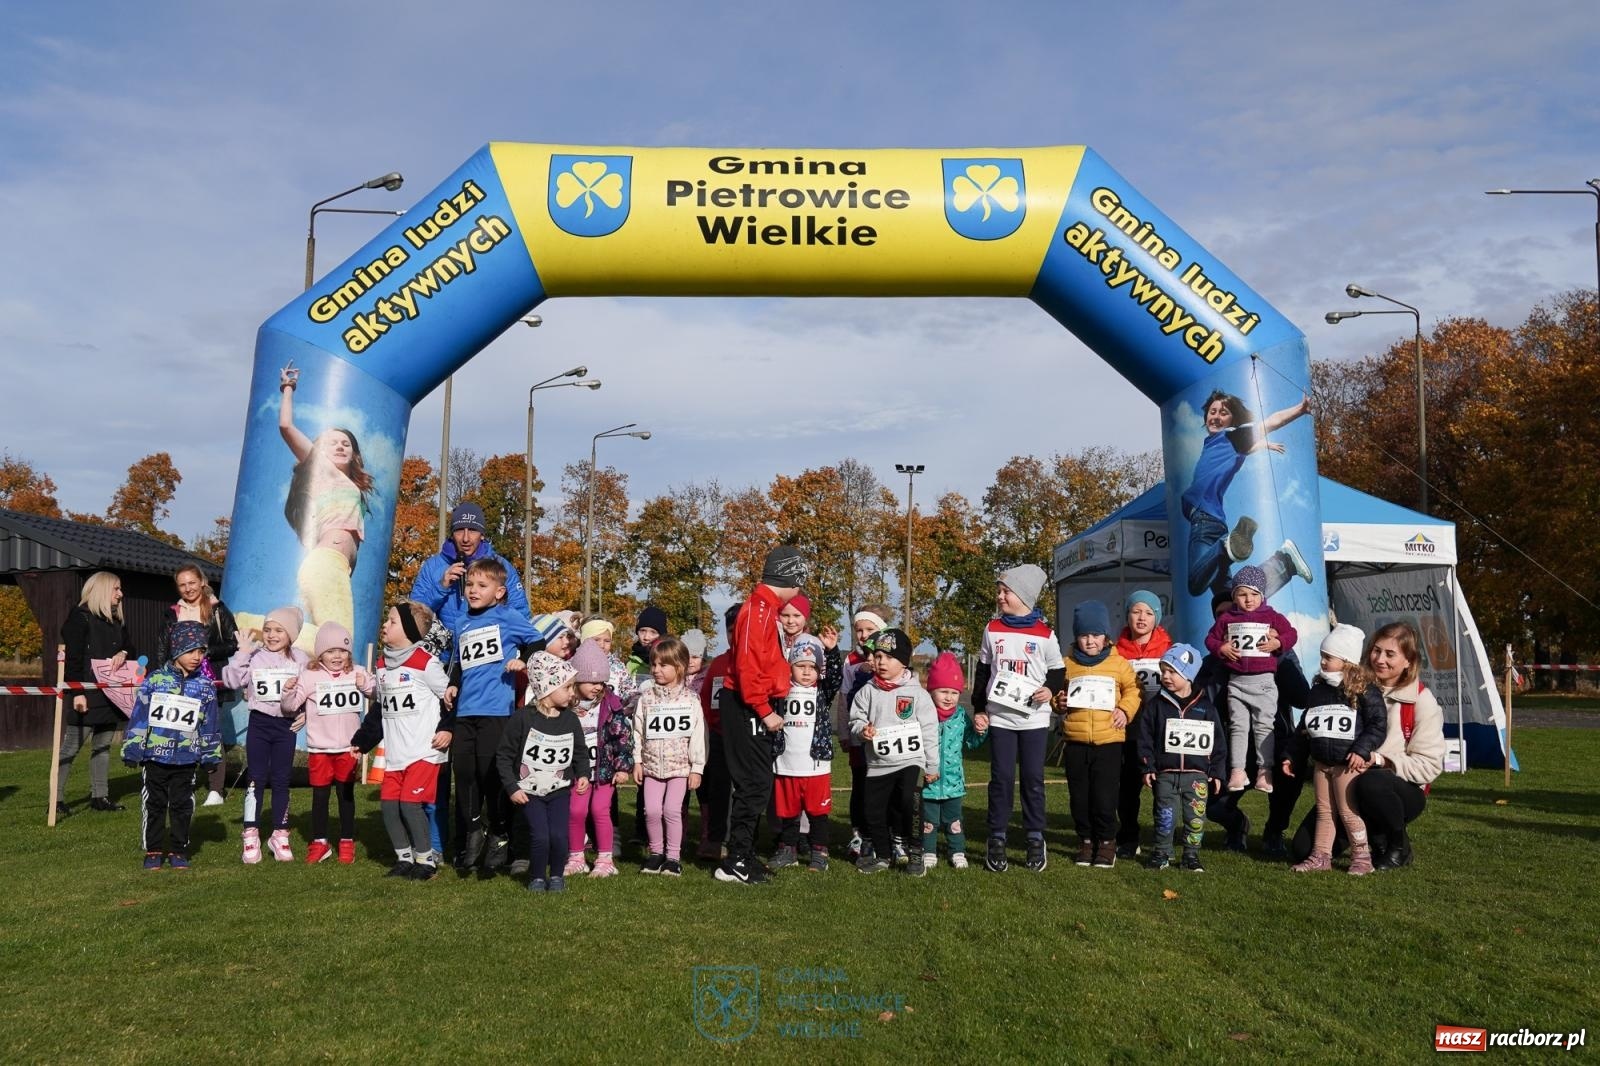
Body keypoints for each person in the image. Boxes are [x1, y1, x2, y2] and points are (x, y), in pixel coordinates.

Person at [716, 546, 808, 886]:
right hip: (748, 705)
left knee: (759, 783)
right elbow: (747, 666)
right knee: (753, 783)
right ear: (790, 576)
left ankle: (746, 854)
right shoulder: (758, 610)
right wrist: (765, 710)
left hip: (757, 703)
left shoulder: (767, 609)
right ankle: (735, 861)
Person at [444, 557, 541, 876]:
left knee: (492, 776)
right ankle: (474, 830)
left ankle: (499, 832)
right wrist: (453, 684)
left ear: (499, 592)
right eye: (470, 584)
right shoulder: (461, 621)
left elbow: (537, 641)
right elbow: (460, 662)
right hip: (465, 711)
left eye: (481, 586)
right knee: (464, 773)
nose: (473, 590)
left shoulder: (507, 617)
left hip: (496, 712)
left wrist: (522, 660)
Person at [971, 565, 1064, 874]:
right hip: (1001, 718)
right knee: (1001, 779)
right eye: (998, 591)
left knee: (1033, 780)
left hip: (1034, 719)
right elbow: (983, 671)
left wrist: (1049, 689)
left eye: (1005, 591)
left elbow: (1058, 670)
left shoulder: (1045, 634)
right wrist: (980, 708)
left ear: (1024, 596)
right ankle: (996, 837)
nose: (999, 596)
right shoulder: (991, 629)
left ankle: (1035, 838)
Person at [1180, 389, 1313, 601]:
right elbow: (1242, 450)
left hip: (1204, 519)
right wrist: (1261, 446)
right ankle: (1283, 564)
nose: (1216, 416)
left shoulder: (1233, 435)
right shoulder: (1218, 443)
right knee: (1232, 600)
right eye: (1212, 412)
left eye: (1223, 413)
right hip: (1214, 521)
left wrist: (1299, 409)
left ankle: (1226, 547)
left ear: (1233, 419)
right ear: (1205, 417)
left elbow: (1271, 422)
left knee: (1196, 584)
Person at [353, 602, 454, 881]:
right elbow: (380, 709)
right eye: (387, 620)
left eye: (392, 621)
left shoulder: (426, 662)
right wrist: (361, 742)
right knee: (388, 806)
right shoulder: (382, 665)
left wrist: (447, 729)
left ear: (408, 630)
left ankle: (426, 862)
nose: (385, 625)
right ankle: (404, 859)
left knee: (410, 805)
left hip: (425, 750)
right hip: (396, 754)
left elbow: (450, 698)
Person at [277, 364, 372, 646]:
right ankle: (270, 629)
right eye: (332, 443)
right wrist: (288, 388)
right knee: (339, 643)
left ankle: (275, 632)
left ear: (354, 453)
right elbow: (286, 427)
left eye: (346, 443)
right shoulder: (324, 470)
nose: (341, 446)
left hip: (334, 568)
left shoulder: (349, 485)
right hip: (326, 564)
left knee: (332, 646)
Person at [1283, 624, 1388, 875]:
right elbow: (1305, 727)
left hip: (1347, 765)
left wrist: (1361, 750)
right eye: (1322, 655)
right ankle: (1320, 856)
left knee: (1348, 811)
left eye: (1328, 657)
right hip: (1322, 764)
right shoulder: (1318, 690)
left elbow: (1377, 725)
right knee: (1324, 811)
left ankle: (1362, 856)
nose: (1322, 661)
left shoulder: (1365, 690)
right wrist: (1291, 755)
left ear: (1346, 660)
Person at [121, 621, 222, 871]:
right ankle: (153, 849)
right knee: (154, 804)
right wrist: (133, 748)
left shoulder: (206, 686)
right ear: (176, 650)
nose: (197, 657)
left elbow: (210, 724)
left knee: (182, 805)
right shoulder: (155, 681)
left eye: (201, 651)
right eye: (191, 651)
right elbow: (140, 717)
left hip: (187, 759)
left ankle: (179, 849)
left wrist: (210, 755)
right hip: (154, 758)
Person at [1351, 622, 1444, 871]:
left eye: (1390, 654)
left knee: (1372, 782)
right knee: (1303, 847)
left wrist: (1381, 760)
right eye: (1376, 650)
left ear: (1408, 662)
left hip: (1401, 792)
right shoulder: (1352, 690)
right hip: (1347, 783)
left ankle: (1397, 844)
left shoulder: (1422, 701)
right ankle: (1375, 841)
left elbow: (1429, 766)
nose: (1379, 659)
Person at [496, 652, 591, 894]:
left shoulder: (570, 720)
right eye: (567, 687)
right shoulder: (522, 718)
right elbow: (504, 756)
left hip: (560, 791)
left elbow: (580, 751)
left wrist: (583, 774)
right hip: (530, 792)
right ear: (547, 688)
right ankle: (537, 877)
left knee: (559, 836)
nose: (572, 693)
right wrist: (512, 787)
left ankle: (557, 876)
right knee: (540, 836)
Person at [280, 622, 375, 864]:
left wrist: (365, 685)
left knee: (346, 795)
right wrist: (288, 691)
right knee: (320, 797)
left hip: (348, 748)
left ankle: (346, 841)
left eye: (342, 651)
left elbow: (377, 693)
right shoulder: (309, 676)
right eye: (331, 651)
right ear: (320, 654)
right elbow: (290, 707)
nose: (337, 656)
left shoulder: (358, 671)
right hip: (320, 749)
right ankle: (320, 842)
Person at [221, 606, 310, 863]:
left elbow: (310, 690)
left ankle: (280, 834)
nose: (272, 635)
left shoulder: (300, 659)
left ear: (291, 634)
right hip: (259, 724)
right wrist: (241, 654)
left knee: (282, 779)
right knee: (256, 778)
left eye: (279, 630)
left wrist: (306, 713)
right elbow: (231, 681)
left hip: (286, 726)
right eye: (268, 630)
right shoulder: (255, 656)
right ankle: (250, 833)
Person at [1058, 600, 1142, 869]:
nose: (1090, 641)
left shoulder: (1119, 664)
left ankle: (1106, 842)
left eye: (1096, 634)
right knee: (1079, 797)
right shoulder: (1066, 664)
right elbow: (1057, 694)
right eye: (1084, 635)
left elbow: (1134, 689)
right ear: (1076, 637)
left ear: (1106, 636)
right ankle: (1085, 841)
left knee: (1105, 797)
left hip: (1109, 742)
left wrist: (1125, 710)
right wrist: (1058, 702)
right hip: (1075, 741)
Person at [849, 629, 939, 876]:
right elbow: (855, 720)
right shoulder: (867, 691)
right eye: (878, 656)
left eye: (889, 657)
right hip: (878, 764)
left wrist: (932, 765)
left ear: (904, 661)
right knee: (873, 811)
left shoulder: (918, 694)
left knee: (910, 802)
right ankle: (883, 856)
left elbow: (930, 731)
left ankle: (916, 853)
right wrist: (862, 730)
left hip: (911, 761)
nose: (881, 662)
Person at [1205, 565, 1297, 793]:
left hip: (1264, 682)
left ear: (1262, 595)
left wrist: (1278, 643)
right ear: (1234, 596)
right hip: (1236, 682)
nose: (1248, 600)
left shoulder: (1272, 616)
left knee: (1263, 726)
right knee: (1238, 727)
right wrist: (1221, 648)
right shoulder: (1227, 618)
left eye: (1254, 594)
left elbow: (1292, 634)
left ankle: (1265, 771)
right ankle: (1238, 771)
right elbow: (1210, 639)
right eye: (1242, 594)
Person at [155, 564, 239, 806]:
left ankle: (216, 789)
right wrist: (164, 677)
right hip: (180, 681)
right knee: (182, 731)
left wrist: (206, 652)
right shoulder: (172, 613)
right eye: (182, 585)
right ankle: (183, 782)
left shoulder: (217, 609)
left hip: (210, 679)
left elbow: (234, 642)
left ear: (202, 582)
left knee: (210, 732)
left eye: (191, 583)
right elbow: (162, 648)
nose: (188, 588)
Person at [1136, 644, 1224, 872]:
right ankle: (1162, 852)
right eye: (1163, 671)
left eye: (1172, 672)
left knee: (1195, 817)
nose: (1165, 676)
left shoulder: (1206, 707)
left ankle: (1191, 855)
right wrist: (1148, 766)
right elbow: (1145, 738)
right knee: (1164, 816)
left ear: (1189, 675)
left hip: (1197, 776)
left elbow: (1218, 742)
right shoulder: (1156, 706)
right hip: (1165, 774)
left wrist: (1216, 772)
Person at [57, 571, 137, 816]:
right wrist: (77, 693)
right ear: (102, 589)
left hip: (110, 695)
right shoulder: (79, 618)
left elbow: (131, 648)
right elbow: (73, 659)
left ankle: (100, 797)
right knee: (71, 748)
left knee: (103, 747)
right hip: (87, 694)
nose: (121, 594)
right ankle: (56, 799)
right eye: (116, 588)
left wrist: (123, 652)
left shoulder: (116, 621)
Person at [409, 502, 529, 654]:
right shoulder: (433, 566)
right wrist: (441, 587)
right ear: (452, 534)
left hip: (490, 658)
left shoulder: (501, 566)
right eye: (459, 530)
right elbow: (412, 616)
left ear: (482, 535)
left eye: (472, 530)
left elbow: (521, 615)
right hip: (443, 659)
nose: (465, 538)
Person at [632, 637, 706, 877]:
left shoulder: (690, 700)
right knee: (652, 811)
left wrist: (697, 768)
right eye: (654, 664)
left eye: (663, 665)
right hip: (652, 766)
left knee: (672, 811)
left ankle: (673, 858)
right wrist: (637, 761)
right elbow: (638, 731)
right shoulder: (646, 698)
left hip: (680, 768)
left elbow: (698, 735)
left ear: (679, 667)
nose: (656, 670)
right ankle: (656, 853)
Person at [563, 638, 632, 878]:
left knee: (600, 810)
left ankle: (605, 859)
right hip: (578, 772)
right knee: (576, 811)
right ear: (577, 680)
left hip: (605, 770)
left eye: (601, 681)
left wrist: (622, 767)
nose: (596, 686)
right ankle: (576, 857)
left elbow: (622, 737)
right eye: (591, 681)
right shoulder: (567, 706)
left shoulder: (611, 705)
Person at [1112, 590, 1173, 859]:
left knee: (1164, 788)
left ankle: (1163, 840)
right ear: (1127, 615)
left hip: (1160, 730)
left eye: (1149, 613)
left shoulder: (1169, 649)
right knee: (1127, 788)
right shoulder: (1114, 651)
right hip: (1128, 729)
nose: (1141, 617)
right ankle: (1128, 837)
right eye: (1136, 611)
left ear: (1156, 618)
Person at [770, 641, 836, 872]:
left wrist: (831, 652)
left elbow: (835, 678)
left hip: (815, 765)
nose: (807, 672)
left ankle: (819, 852)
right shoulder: (781, 690)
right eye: (800, 666)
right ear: (790, 667)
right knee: (787, 813)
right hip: (786, 763)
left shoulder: (822, 691)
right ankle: (788, 850)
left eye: (812, 667)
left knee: (818, 813)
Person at [920, 651, 988, 871]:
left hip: (954, 783)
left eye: (954, 692)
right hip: (928, 782)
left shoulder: (960, 716)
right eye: (943, 691)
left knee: (954, 821)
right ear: (931, 690)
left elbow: (971, 743)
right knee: (928, 822)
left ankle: (957, 851)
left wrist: (980, 732)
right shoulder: (923, 715)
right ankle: (928, 851)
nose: (949, 697)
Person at [839, 603, 891, 860]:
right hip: (859, 737)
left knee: (885, 786)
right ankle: (859, 835)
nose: (863, 635)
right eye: (859, 630)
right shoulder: (850, 661)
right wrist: (844, 732)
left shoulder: (892, 657)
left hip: (885, 736)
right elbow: (843, 698)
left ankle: (887, 836)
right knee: (860, 786)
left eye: (869, 629)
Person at [695, 604, 740, 861]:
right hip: (719, 737)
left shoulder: (757, 661)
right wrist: (712, 728)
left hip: (745, 740)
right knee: (719, 790)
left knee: (743, 792)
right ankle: (715, 839)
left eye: (739, 630)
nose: (735, 636)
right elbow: (707, 700)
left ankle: (740, 841)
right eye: (730, 631)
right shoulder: (719, 664)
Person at [627, 604, 669, 676]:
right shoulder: (630, 664)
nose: (646, 637)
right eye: (642, 631)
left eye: (653, 632)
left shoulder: (671, 661)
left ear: (662, 635)